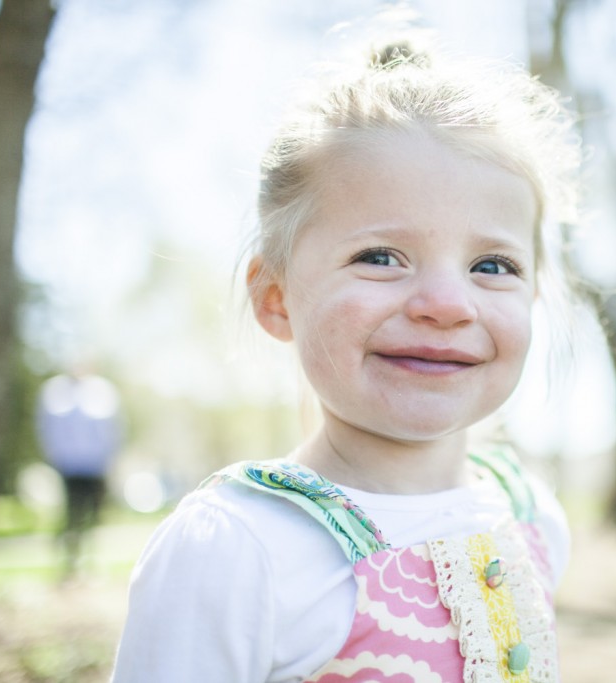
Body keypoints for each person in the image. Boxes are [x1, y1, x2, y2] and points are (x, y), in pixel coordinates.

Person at [111, 25, 582, 683]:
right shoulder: (240, 549)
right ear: (277, 298)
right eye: (380, 256)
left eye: (492, 264)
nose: (447, 304)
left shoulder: (531, 514)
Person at [35, 367, 122, 577]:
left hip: (95, 465)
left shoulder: (101, 390)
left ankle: (88, 562)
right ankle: (69, 563)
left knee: (94, 515)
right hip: (69, 465)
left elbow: (113, 428)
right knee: (71, 514)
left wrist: (110, 459)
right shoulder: (56, 390)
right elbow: (47, 426)